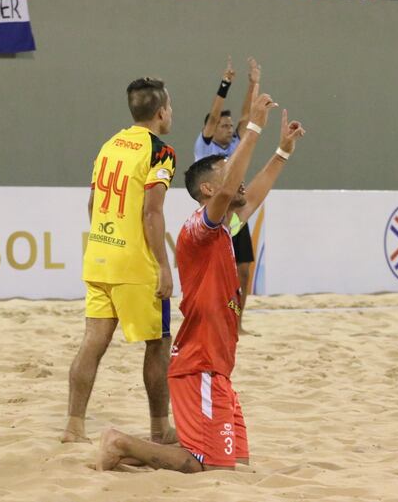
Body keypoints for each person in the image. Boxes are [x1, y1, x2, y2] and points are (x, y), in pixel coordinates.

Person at [97, 86, 306, 473]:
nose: (239, 181)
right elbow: (231, 189)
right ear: (209, 190)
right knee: (208, 468)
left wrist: (282, 152)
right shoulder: (200, 230)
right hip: (199, 369)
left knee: (237, 461)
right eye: (229, 172)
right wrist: (253, 128)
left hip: (217, 371)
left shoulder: (225, 228)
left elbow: (251, 198)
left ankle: (132, 453)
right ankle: (120, 442)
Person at [61, 78, 177, 445]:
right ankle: (160, 429)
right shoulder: (160, 152)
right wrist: (163, 265)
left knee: (93, 342)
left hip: (99, 256)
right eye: (170, 107)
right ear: (161, 113)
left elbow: (92, 204)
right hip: (134, 264)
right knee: (158, 343)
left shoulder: (109, 145)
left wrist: (105, 240)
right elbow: (152, 213)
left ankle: (73, 427)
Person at [195, 57, 260, 334]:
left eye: (229, 125)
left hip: (233, 218)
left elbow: (247, 117)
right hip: (213, 218)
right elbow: (213, 116)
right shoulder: (205, 145)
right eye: (224, 125)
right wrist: (226, 84)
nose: (229, 128)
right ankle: (207, 321)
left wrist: (253, 83)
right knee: (212, 273)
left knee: (243, 269)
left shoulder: (235, 143)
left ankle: (237, 324)